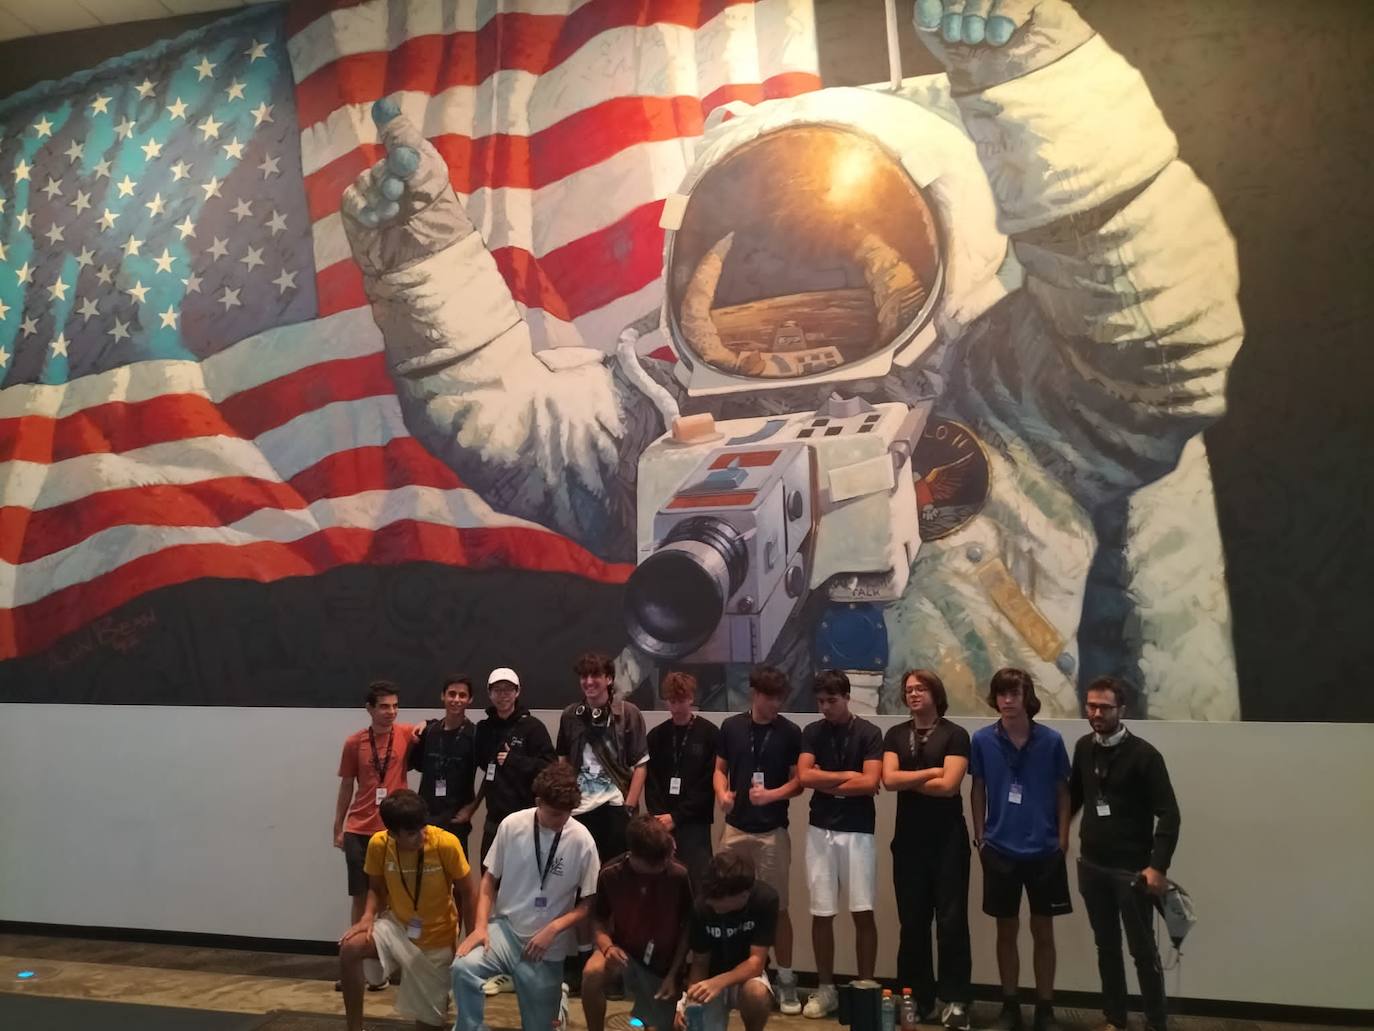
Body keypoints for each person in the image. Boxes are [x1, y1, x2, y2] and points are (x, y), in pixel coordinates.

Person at [342, 0, 1246, 723]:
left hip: (966, 761)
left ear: (945, 243)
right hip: (741, 762)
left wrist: (1037, 87)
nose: (795, 308)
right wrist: (426, 271)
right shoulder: (670, 414)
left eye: (840, 268)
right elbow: (508, 424)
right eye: (762, 268)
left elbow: (1148, 330)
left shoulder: (1012, 398)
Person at [451, 763, 600, 1031]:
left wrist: (554, 928)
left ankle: (559, 1003)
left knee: (540, 1026)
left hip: (546, 945)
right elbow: (488, 880)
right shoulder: (512, 825)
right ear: (538, 802)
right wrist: (480, 927)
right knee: (463, 968)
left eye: (567, 815)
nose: (561, 822)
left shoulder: (582, 840)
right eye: (555, 814)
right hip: (505, 930)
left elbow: (588, 903)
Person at [1071, 676, 1181, 1031]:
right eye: (1091, 706)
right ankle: (1114, 1019)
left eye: (1104, 707)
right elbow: (1074, 798)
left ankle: (1156, 1022)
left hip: (1132, 871)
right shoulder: (1084, 748)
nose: (1096, 713)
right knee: (1107, 948)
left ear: (1122, 709)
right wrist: (1057, 834)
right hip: (1092, 866)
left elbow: (1169, 814)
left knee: (1143, 952)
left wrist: (1157, 867)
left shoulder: (1145, 755)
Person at [970, 668, 1072, 1031]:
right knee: (1005, 932)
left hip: (1045, 852)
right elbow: (978, 788)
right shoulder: (982, 740)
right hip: (999, 850)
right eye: (1002, 694)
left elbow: (1063, 792)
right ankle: (1009, 1007)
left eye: (1015, 693)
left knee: (1044, 933)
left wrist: (1062, 839)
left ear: (1028, 696)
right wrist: (980, 836)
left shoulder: (1051, 740)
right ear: (995, 698)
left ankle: (1045, 1009)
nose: (1008, 700)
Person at [339, 789, 479, 1031]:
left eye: (423, 828)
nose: (421, 836)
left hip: (437, 940)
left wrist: (473, 937)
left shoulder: (446, 843)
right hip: (397, 927)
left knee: (428, 1026)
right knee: (350, 947)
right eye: (412, 833)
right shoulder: (379, 844)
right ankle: (354, 1028)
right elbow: (375, 887)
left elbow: (468, 891)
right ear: (392, 834)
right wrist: (367, 916)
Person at [882, 670, 973, 1030]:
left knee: (951, 922)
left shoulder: (956, 734)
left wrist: (911, 778)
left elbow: (950, 786)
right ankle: (917, 998)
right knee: (913, 924)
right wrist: (930, 772)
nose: (913, 694)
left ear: (936, 692)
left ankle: (955, 999)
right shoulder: (894, 734)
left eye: (920, 688)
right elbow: (888, 780)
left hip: (948, 841)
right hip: (908, 843)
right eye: (908, 690)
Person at [714, 666, 803, 1014]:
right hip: (735, 830)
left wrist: (773, 795)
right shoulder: (731, 727)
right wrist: (722, 794)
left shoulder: (790, 732)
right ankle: (729, 975)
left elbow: (799, 782)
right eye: (769, 697)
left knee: (778, 908)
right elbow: (720, 770)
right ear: (755, 693)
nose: (775, 704)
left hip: (771, 832)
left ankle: (787, 980)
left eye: (780, 698)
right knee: (723, 901)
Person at [796, 670, 883, 1019]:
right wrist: (848, 777)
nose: (825, 708)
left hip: (859, 831)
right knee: (821, 911)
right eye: (820, 702)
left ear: (847, 697)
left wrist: (828, 781)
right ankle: (826, 988)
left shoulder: (869, 732)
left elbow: (872, 782)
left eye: (831, 701)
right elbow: (804, 777)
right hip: (820, 830)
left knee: (862, 911)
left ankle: (866, 987)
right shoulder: (812, 732)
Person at [334, 680, 417, 991]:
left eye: (395, 706)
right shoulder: (354, 742)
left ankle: (388, 968)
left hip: (394, 832)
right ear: (369, 708)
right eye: (384, 706)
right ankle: (353, 969)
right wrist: (338, 826)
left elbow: (428, 728)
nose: (390, 712)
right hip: (359, 829)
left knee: (395, 898)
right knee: (361, 899)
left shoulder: (407, 734)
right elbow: (346, 787)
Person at [581, 815, 694, 1031]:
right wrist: (607, 947)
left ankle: (667, 1015)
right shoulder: (611, 873)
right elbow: (598, 919)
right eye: (652, 864)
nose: (661, 867)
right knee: (591, 974)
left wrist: (673, 975)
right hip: (623, 953)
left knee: (663, 1027)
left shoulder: (679, 875)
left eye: (664, 862)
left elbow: (688, 928)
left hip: (663, 966)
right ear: (633, 854)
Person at [556, 651, 650, 862]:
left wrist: (628, 806)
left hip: (616, 809)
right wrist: (565, 799)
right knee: (579, 875)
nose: (589, 682)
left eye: (595, 675)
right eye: (584, 676)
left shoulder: (628, 713)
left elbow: (641, 765)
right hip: (579, 809)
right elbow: (563, 760)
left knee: (614, 873)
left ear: (609, 679)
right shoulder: (571, 715)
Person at [680, 851, 779, 1031]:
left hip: (744, 977)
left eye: (718, 899)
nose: (711, 902)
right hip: (709, 979)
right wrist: (691, 1002)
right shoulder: (702, 906)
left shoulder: (765, 900)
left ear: (743, 895)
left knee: (756, 994)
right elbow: (700, 961)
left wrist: (720, 982)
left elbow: (756, 963)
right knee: (694, 1022)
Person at [473, 667, 556, 865]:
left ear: (517, 692)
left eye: (508, 690)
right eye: (497, 690)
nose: (503, 695)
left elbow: (550, 767)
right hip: (494, 820)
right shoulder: (483, 729)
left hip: (526, 820)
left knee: (525, 879)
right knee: (489, 875)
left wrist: (515, 760)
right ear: (489, 693)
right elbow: (487, 769)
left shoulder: (532, 727)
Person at [645, 671, 719, 892]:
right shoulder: (656, 736)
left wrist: (677, 816)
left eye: (681, 700)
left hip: (695, 822)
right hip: (661, 822)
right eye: (672, 700)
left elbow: (708, 783)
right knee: (663, 882)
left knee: (698, 883)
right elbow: (651, 781)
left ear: (691, 698)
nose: (676, 706)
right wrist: (660, 816)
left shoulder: (709, 734)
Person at [410, 674, 479, 857]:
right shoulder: (429, 731)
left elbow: (491, 776)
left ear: (470, 699)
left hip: (456, 819)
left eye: (462, 695)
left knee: (458, 878)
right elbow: (414, 764)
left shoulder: (475, 735)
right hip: (425, 816)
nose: (456, 700)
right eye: (452, 694)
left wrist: (472, 807)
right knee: (426, 874)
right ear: (443, 696)